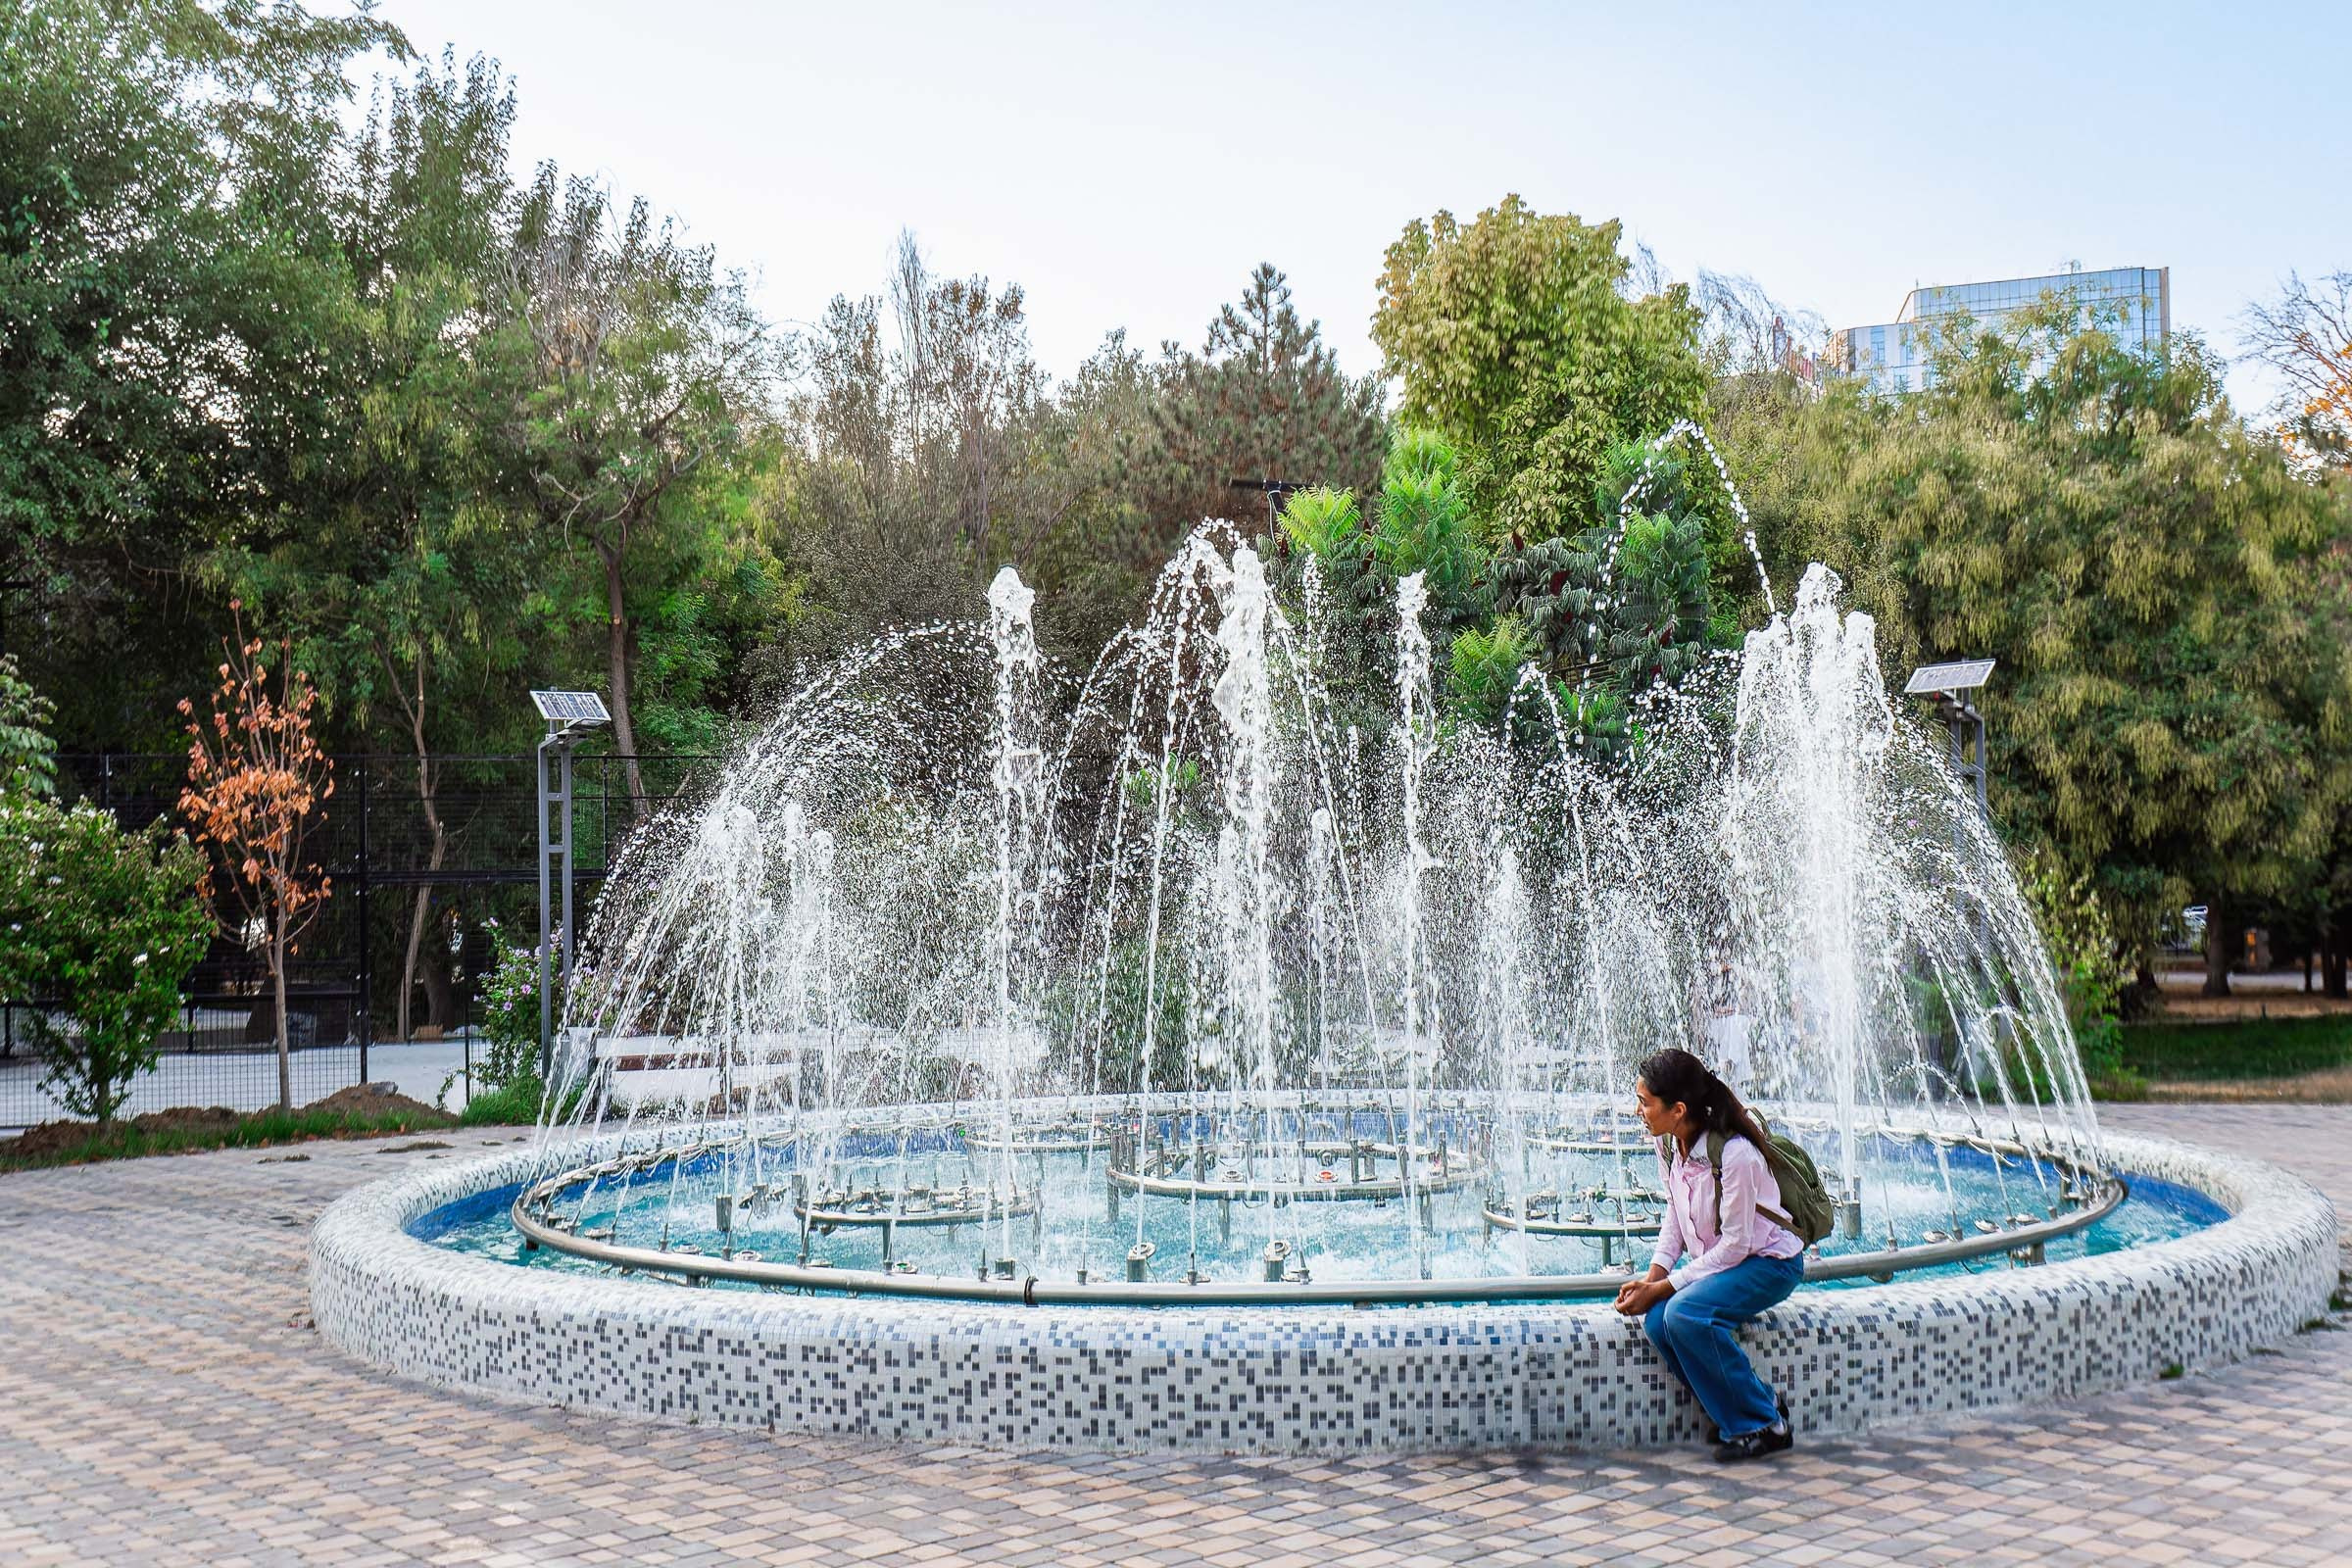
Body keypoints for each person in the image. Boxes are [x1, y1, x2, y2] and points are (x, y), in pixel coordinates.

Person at [1613, 1046, 1804, 1461]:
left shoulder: (1735, 1154)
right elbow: (1675, 1213)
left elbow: (1736, 1245)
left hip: (1768, 1263)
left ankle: (1765, 1423)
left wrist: (1665, 1286)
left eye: (1645, 1104)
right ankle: (1749, 1409)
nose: (1638, 1111)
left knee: (1685, 1314)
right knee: (1660, 1322)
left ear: (1677, 1109)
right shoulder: (1668, 1145)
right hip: (1728, 1262)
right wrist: (1653, 1278)